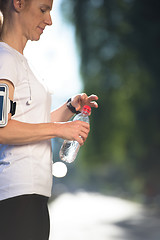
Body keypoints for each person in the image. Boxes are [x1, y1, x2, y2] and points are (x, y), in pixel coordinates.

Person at [0, 0, 98, 239]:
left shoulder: (18, 61)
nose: (49, 20)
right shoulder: (4, 60)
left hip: (31, 195)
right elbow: (1, 129)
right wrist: (60, 129)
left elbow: (30, 123)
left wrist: (67, 109)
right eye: (43, 10)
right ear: (19, 3)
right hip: (17, 196)